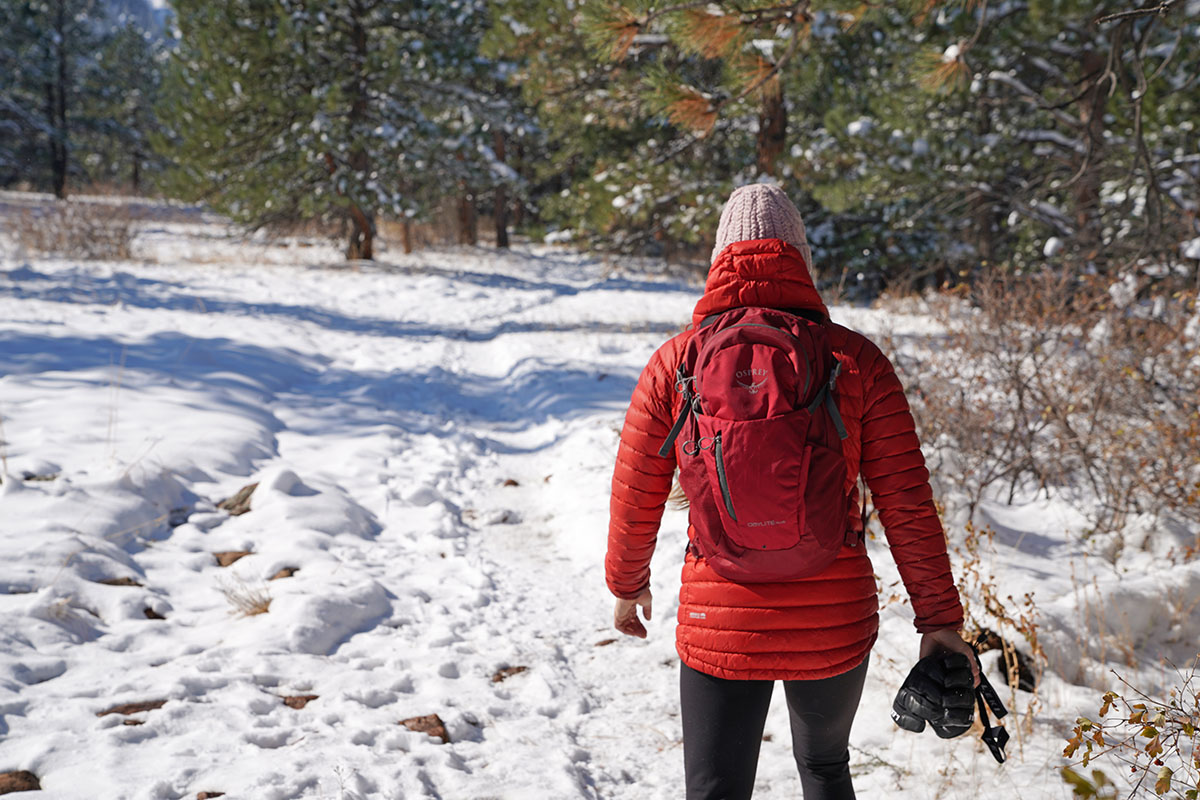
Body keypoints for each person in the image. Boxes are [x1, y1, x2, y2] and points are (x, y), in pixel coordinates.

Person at [604, 183, 978, 800]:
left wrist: (627, 583)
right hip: (832, 617)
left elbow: (636, 487)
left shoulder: (676, 362)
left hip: (719, 614)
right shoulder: (856, 361)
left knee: (716, 787)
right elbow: (906, 501)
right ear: (800, 257)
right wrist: (938, 618)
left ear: (720, 255)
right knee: (825, 769)